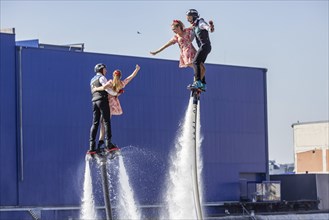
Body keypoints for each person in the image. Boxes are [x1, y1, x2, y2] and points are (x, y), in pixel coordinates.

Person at [92, 64, 141, 147]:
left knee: (102, 123)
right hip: (113, 104)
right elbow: (130, 77)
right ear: (120, 76)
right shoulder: (121, 84)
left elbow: (104, 87)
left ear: (113, 75)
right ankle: (105, 141)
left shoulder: (110, 82)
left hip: (106, 102)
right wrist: (137, 70)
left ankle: (102, 141)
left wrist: (95, 89)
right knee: (105, 122)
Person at [88, 63, 118, 157]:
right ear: (101, 69)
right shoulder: (102, 78)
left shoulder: (92, 80)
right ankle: (108, 144)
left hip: (94, 101)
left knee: (95, 123)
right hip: (102, 100)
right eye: (105, 69)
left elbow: (93, 90)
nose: (106, 71)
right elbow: (107, 89)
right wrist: (115, 93)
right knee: (106, 121)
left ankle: (92, 147)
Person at [186, 9, 214, 91]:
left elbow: (207, 28)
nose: (188, 20)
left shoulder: (200, 22)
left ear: (194, 17)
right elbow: (190, 39)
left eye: (189, 18)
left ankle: (197, 82)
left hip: (205, 46)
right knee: (200, 65)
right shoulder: (194, 27)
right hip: (205, 47)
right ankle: (203, 84)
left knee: (195, 62)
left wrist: (210, 27)